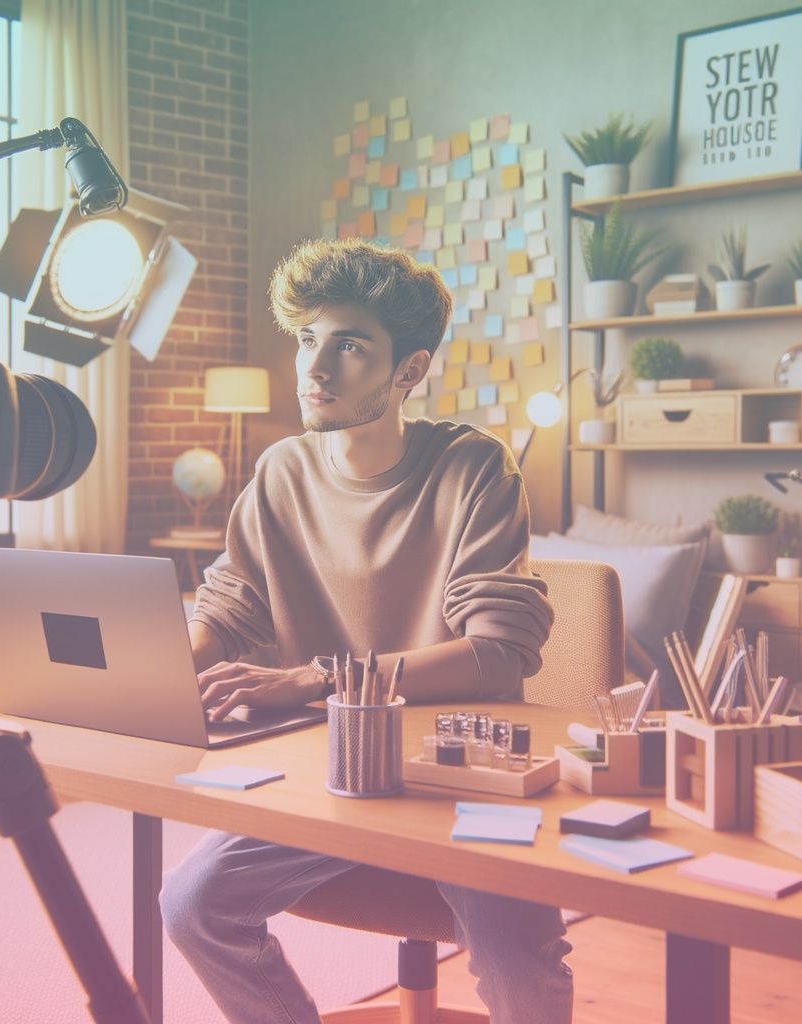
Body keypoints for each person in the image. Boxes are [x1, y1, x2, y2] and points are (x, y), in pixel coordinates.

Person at [161, 238, 571, 1023]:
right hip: (330, 772)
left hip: (458, 769)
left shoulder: (474, 468)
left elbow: (498, 653)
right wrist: (161, 671)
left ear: (407, 370)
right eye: (308, 340)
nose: (316, 368)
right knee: (191, 903)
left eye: (348, 346)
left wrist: (316, 677)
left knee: (521, 959)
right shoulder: (281, 472)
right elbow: (228, 607)